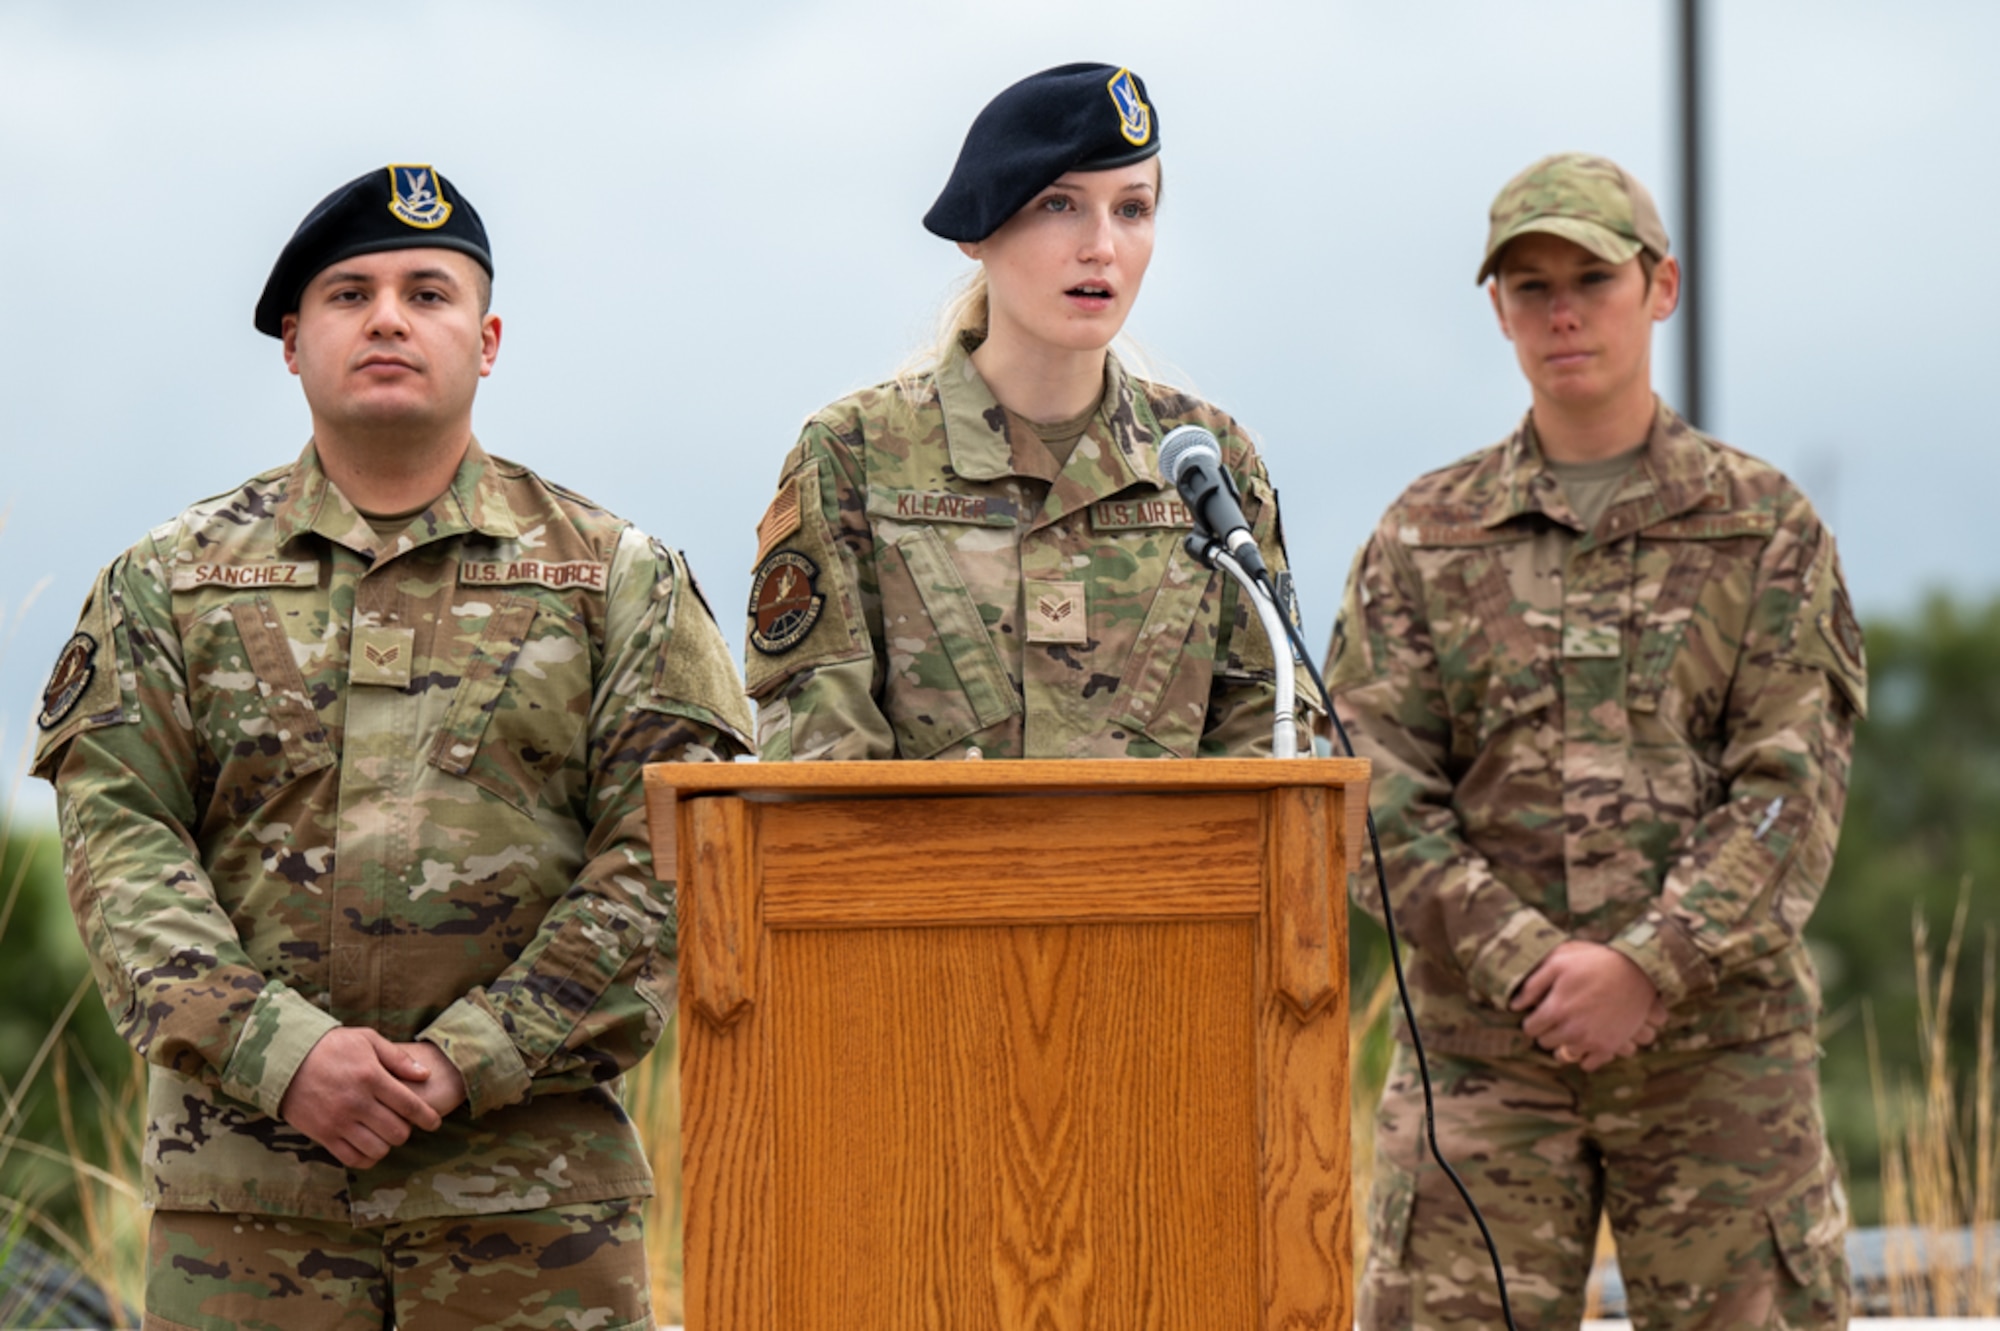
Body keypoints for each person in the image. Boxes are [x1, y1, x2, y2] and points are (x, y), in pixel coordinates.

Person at [31, 164, 752, 1330]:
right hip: (246, 1214)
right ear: (291, 341)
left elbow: (671, 858)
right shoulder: (166, 581)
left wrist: (481, 1051)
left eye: (428, 291)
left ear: (488, 336)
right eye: (348, 293)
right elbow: (120, 854)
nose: (387, 318)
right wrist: (279, 1052)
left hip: (533, 1213)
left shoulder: (619, 579)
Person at [1326, 152, 1864, 1329]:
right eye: (1529, 287)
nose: (1560, 311)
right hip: (1484, 1059)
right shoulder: (1423, 536)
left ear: (1659, 286)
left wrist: (1648, 964)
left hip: (1716, 1056)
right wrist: (1525, 958)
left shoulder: (1761, 527)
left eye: (1591, 278)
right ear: (1496, 309)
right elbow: (1369, 794)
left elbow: (1788, 787)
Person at [745, 63, 1315, 760]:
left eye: (1132, 209)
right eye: (1059, 205)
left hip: (1169, 872)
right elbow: (821, 769)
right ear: (978, 228)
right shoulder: (854, 456)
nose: (1102, 247)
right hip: (927, 871)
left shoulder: (1208, 464)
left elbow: (1270, 749)